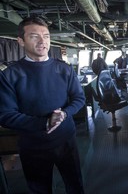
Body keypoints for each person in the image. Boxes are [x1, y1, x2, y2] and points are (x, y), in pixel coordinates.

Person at [0, 16, 85, 193]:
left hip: (66, 140)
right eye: (34, 36)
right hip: (33, 145)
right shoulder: (9, 75)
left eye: (46, 36)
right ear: (21, 41)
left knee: (75, 184)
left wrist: (65, 114)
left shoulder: (64, 69)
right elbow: (6, 115)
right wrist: (45, 123)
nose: (42, 41)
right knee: (40, 190)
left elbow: (79, 98)